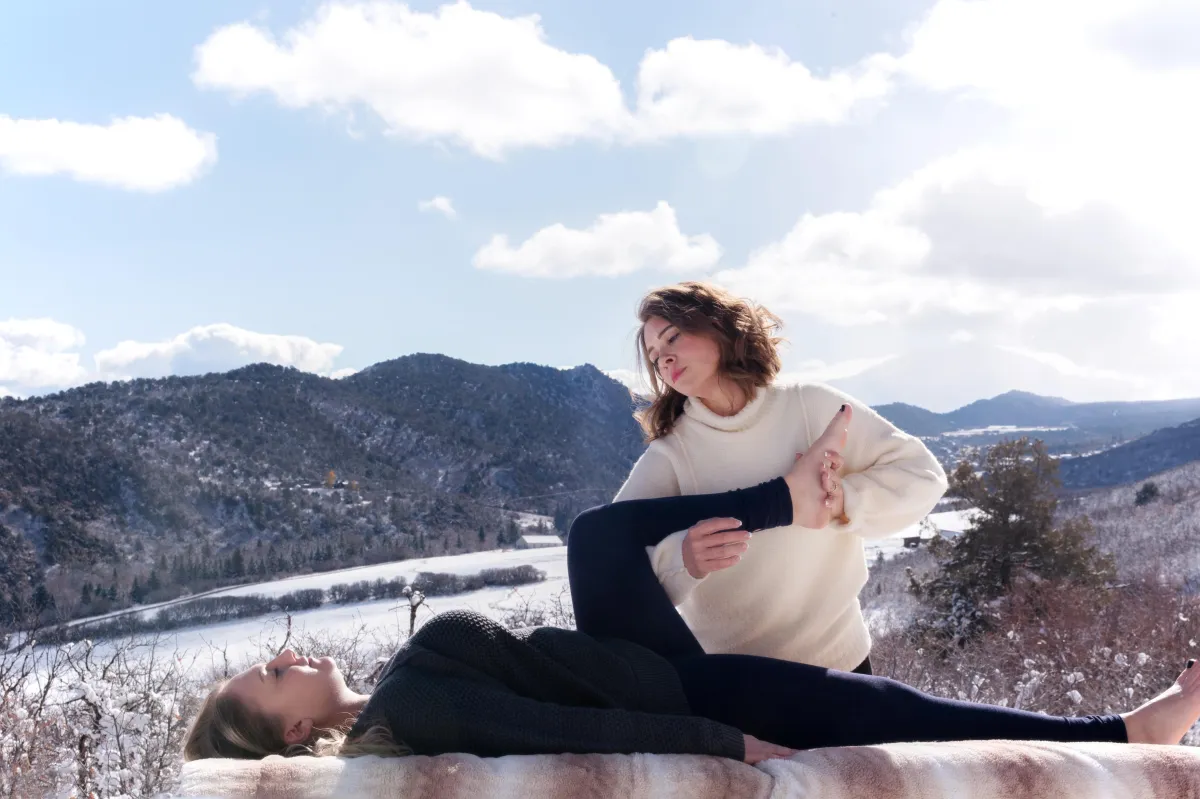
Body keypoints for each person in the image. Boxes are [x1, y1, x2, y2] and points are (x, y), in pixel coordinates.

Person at [183, 435, 1200, 764]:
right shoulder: (412, 707)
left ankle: (785, 498)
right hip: (678, 695)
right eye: (270, 681)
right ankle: (1120, 732)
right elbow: (557, 731)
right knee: (876, 712)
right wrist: (731, 743)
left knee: (595, 531)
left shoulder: (399, 700)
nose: (283, 657)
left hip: (627, 660)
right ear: (285, 735)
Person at [612, 281, 948, 674]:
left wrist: (839, 500)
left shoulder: (810, 405)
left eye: (673, 338)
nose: (664, 360)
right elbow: (615, 557)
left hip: (841, 663)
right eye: (654, 358)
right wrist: (683, 559)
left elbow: (921, 474)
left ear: (718, 326)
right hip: (739, 681)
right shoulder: (672, 453)